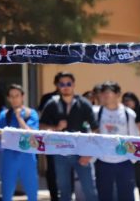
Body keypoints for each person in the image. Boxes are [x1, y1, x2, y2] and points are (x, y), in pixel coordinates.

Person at [39, 72, 98, 201]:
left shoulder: (84, 103)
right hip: (60, 152)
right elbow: (41, 126)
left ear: (74, 84)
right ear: (58, 86)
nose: (65, 87)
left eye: (68, 84)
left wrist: (89, 153)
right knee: (64, 192)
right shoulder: (52, 103)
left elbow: (95, 130)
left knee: (89, 191)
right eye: (62, 84)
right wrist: (56, 128)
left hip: (82, 152)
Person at [93, 81, 138, 201]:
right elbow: (92, 135)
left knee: (127, 196)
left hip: (124, 161)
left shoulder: (128, 114)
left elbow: (134, 137)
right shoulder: (96, 112)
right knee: (104, 195)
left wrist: (132, 159)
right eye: (103, 92)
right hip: (103, 161)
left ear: (118, 94)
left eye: (108, 92)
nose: (105, 95)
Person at [0, 84, 38, 201]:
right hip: (9, 156)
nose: (14, 99)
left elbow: (32, 134)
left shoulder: (31, 113)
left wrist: (20, 118)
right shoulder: (3, 115)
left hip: (27, 156)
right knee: (6, 194)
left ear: (22, 96)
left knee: (32, 194)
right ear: (8, 98)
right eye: (12, 96)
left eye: (17, 95)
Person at [121, 92, 140, 201]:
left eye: (129, 100)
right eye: (124, 100)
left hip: (139, 149)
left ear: (135, 101)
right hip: (125, 149)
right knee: (126, 180)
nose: (126, 102)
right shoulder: (122, 114)